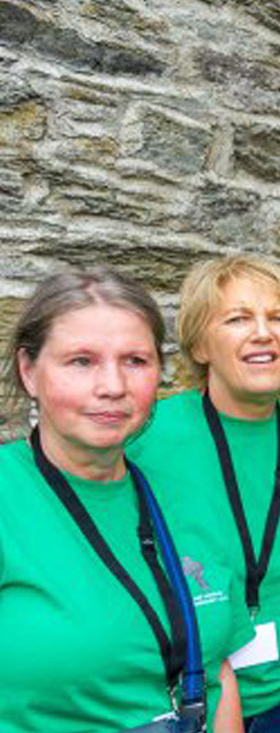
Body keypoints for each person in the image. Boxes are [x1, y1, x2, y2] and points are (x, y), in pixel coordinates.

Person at [0, 269, 251, 732]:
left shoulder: (187, 497)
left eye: (135, 360)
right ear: (29, 370)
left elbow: (218, 670)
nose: (113, 385)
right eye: (81, 361)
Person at [130, 255, 280, 732]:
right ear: (200, 343)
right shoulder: (145, 437)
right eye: (237, 319)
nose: (263, 333)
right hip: (178, 701)